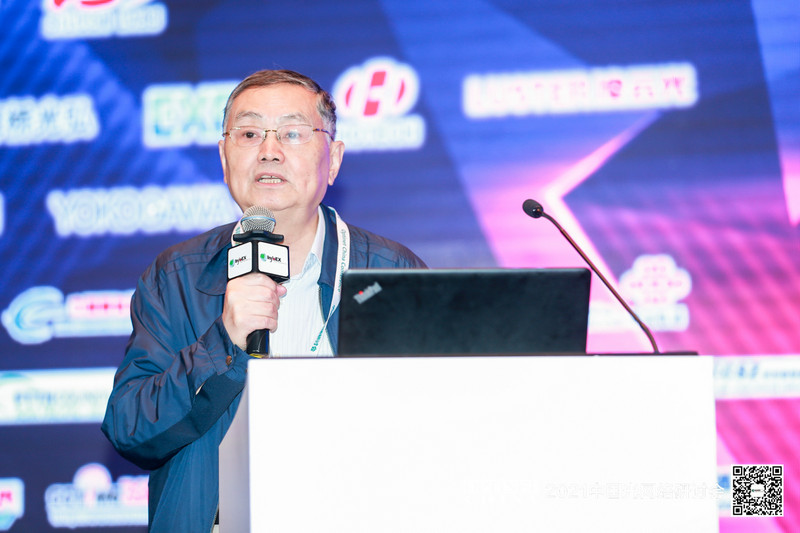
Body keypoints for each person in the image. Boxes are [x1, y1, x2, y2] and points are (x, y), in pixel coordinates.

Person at [101, 69, 426, 532]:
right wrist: (223, 342)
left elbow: (432, 429)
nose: (269, 150)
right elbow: (130, 429)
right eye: (250, 133)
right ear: (224, 156)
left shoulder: (390, 273)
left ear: (333, 159)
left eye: (292, 133)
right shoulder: (176, 276)